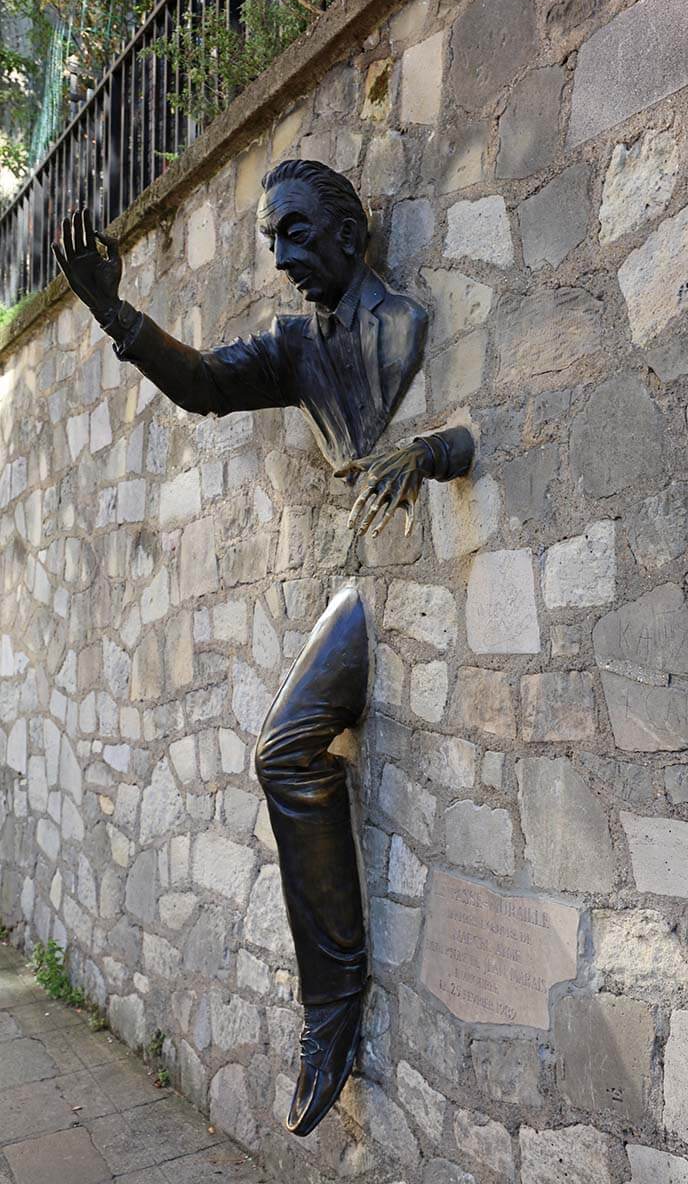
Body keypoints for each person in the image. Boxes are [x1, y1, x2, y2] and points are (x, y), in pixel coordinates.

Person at [52, 159, 474, 1137]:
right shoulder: (299, 350)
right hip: (363, 581)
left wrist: (434, 449)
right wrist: (117, 316)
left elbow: (494, 426)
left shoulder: (405, 319)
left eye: (293, 235)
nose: (281, 259)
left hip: (406, 587)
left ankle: (331, 1008)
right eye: (270, 241)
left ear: (345, 231)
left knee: (283, 749)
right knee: (282, 751)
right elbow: (201, 384)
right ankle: (332, 1010)